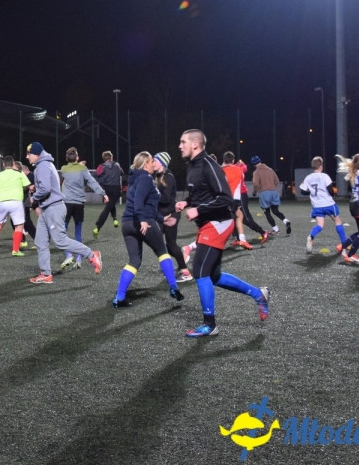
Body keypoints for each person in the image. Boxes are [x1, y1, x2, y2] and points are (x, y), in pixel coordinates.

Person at [175, 130, 268, 338]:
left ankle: (210, 324)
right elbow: (200, 194)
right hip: (209, 222)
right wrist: (187, 203)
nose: (180, 146)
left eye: (183, 142)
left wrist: (198, 210)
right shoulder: (192, 165)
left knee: (200, 271)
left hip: (219, 222)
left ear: (195, 144)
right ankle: (258, 294)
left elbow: (225, 198)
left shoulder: (209, 165)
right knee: (214, 276)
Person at [111, 152, 184, 307]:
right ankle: (173, 287)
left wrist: (162, 219)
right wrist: (142, 220)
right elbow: (139, 202)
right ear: (145, 164)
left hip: (128, 223)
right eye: (151, 161)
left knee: (134, 261)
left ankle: (119, 298)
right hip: (142, 221)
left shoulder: (136, 178)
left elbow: (146, 204)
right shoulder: (145, 178)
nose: (153, 164)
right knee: (163, 252)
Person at [25, 142, 103, 284]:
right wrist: (36, 188)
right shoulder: (45, 164)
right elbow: (46, 186)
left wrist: (34, 198)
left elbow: (45, 189)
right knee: (40, 241)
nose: (27, 157)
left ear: (36, 154)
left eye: (28, 154)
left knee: (60, 241)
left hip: (53, 208)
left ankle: (92, 255)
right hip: (48, 208)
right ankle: (46, 274)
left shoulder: (42, 166)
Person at [59, 147, 107, 270]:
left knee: (62, 231)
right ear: (77, 157)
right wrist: (103, 194)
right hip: (79, 204)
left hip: (66, 203)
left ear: (66, 159)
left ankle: (69, 255)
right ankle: (79, 259)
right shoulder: (83, 169)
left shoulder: (64, 169)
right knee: (78, 233)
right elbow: (92, 182)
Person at [298, 156, 350, 259]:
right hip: (328, 204)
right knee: (338, 222)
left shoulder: (308, 177)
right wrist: (333, 195)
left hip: (317, 206)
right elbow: (330, 189)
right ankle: (344, 244)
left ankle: (311, 236)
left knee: (320, 225)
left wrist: (311, 192)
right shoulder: (324, 176)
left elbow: (302, 191)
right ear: (321, 166)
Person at [153, 151, 192, 283]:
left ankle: (185, 271)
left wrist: (151, 195)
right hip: (161, 215)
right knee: (160, 244)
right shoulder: (158, 175)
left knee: (170, 245)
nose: (153, 163)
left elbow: (166, 199)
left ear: (162, 163)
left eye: (155, 161)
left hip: (170, 215)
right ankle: (176, 262)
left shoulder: (168, 177)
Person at [0, 155, 31, 257]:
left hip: (2, 203)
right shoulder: (20, 173)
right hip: (16, 202)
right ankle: (15, 250)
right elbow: (28, 187)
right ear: (13, 164)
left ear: (4, 164)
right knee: (19, 226)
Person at [223, 152, 268, 246]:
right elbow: (244, 168)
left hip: (241, 195)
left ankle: (263, 232)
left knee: (245, 218)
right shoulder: (233, 168)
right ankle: (238, 239)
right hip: (233, 197)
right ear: (233, 160)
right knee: (232, 218)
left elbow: (244, 168)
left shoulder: (233, 168)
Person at [250, 155, 291, 236]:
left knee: (267, 213)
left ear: (253, 164)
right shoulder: (270, 169)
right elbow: (277, 181)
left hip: (264, 194)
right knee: (276, 211)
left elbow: (256, 184)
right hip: (273, 192)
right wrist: (271, 187)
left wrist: (254, 192)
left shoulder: (256, 172)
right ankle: (286, 221)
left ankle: (276, 230)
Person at [92, 151, 123, 238]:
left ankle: (99, 227)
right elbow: (122, 173)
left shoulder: (101, 167)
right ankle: (113, 220)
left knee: (108, 207)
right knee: (110, 206)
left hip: (108, 189)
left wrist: (101, 181)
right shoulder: (117, 165)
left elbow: (94, 175)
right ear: (111, 158)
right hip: (116, 189)